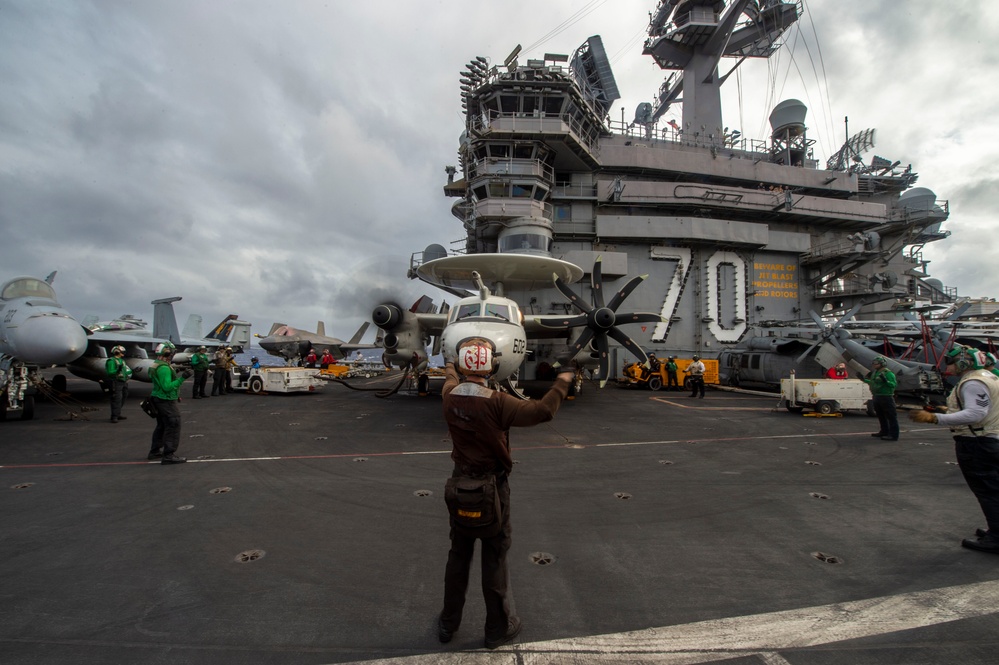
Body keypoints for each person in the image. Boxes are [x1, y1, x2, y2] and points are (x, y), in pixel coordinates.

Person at [438, 337, 575, 650]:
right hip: (492, 490)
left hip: (459, 484)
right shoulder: (497, 403)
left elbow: (449, 379)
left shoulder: (448, 395)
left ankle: (448, 624)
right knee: (494, 557)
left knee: (458, 556)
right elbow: (543, 412)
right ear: (492, 366)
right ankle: (497, 629)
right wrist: (563, 381)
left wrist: (449, 364)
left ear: (461, 366)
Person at [910, 345, 999, 553]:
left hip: (977, 442)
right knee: (994, 488)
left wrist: (935, 418)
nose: (946, 366)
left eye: (949, 362)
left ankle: (996, 538)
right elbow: (984, 409)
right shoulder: (988, 376)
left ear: (962, 362)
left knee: (987, 491)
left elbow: (975, 414)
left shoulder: (972, 383)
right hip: (989, 439)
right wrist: (947, 409)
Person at [149, 342, 192, 465]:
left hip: (158, 398)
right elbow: (167, 387)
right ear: (168, 353)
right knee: (173, 424)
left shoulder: (156, 364)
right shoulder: (163, 368)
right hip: (165, 400)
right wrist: (182, 378)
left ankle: (155, 451)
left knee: (162, 426)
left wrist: (176, 395)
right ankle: (168, 455)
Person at [863, 356, 898, 440]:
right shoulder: (876, 372)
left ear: (882, 364)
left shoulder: (888, 373)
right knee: (881, 415)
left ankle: (893, 435)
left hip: (886, 396)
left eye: (876, 363)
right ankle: (884, 431)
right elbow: (873, 382)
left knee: (891, 416)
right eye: (873, 363)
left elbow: (893, 385)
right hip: (877, 396)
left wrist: (886, 381)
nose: (874, 364)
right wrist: (863, 380)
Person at [105, 345, 132, 423]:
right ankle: (114, 416)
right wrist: (117, 370)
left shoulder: (122, 361)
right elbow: (110, 373)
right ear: (117, 352)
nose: (123, 353)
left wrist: (132, 371)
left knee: (124, 396)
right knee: (116, 399)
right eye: (122, 352)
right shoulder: (111, 361)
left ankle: (117, 413)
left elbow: (125, 371)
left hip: (123, 382)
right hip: (115, 382)